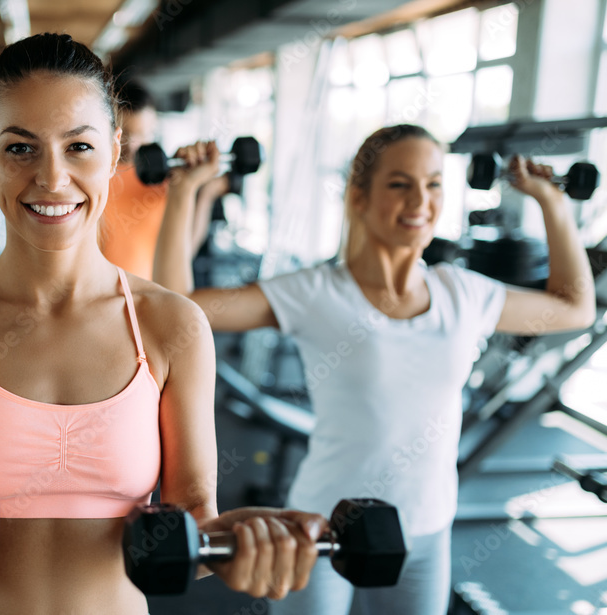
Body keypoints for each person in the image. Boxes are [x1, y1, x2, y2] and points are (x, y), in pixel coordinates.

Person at [0, 34, 329, 614]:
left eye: (78, 147)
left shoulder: (174, 326)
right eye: (21, 148)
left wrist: (243, 542)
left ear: (116, 150)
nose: (51, 178)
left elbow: (191, 527)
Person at [153, 125, 597, 615]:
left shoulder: (464, 294)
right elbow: (180, 310)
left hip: (426, 527)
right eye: (399, 184)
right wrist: (184, 192)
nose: (420, 200)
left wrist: (552, 203)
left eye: (432, 184)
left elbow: (574, 309)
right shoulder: (316, 291)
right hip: (319, 525)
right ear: (359, 197)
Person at [99, 78, 228, 278]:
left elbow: (185, 252)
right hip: (100, 298)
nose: (133, 145)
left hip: (149, 297)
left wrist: (205, 195)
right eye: (126, 135)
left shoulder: (169, 182)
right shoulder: (94, 179)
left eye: (142, 135)